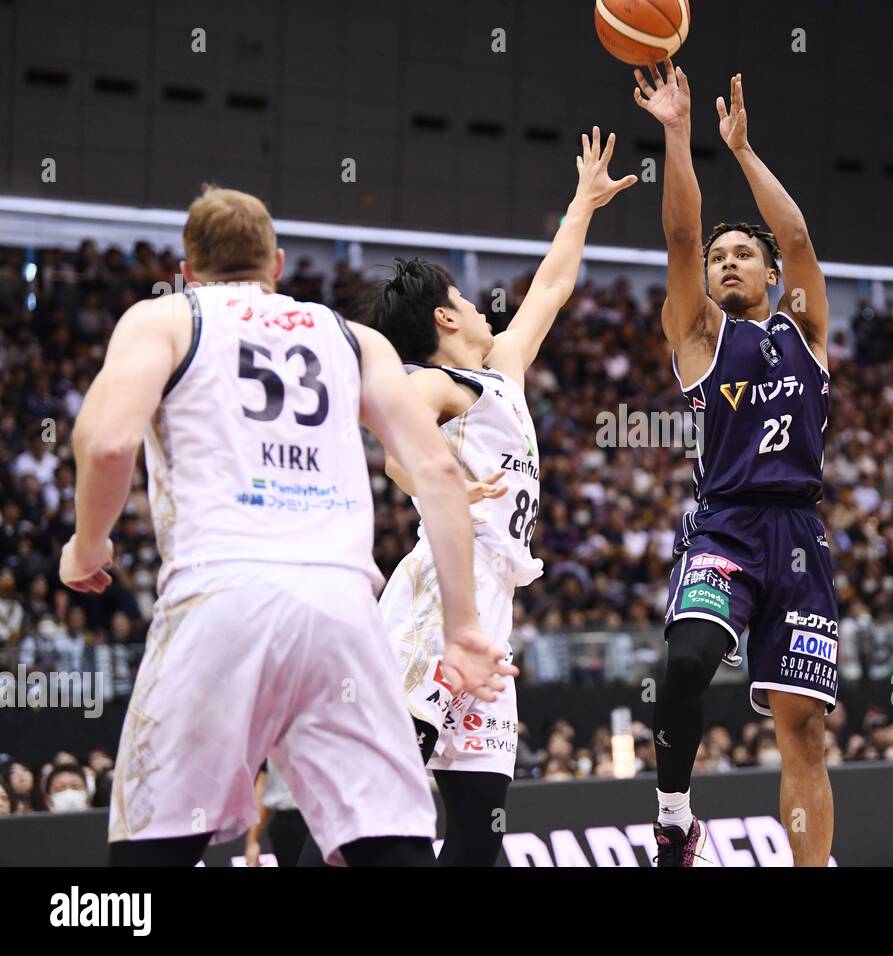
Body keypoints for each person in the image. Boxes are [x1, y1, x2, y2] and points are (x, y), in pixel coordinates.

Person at [58, 185, 515, 867]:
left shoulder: (164, 320)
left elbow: (106, 445)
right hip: (340, 610)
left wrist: (85, 547)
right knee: (390, 844)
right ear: (276, 265)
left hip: (220, 599)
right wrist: (463, 628)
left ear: (187, 272)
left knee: (151, 854)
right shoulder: (351, 338)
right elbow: (439, 475)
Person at [355, 128, 634, 866]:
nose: (485, 309)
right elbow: (393, 458)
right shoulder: (432, 380)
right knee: (395, 779)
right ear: (445, 319)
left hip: (492, 606)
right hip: (441, 596)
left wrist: (581, 204)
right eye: (468, 300)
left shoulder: (499, 369)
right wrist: (436, 481)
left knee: (481, 815)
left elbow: (550, 287)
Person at [634, 60, 837, 867]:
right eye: (718, 256)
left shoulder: (807, 332)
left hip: (799, 537)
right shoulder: (697, 334)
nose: (724, 261)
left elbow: (797, 236)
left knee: (806, 733)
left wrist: (744, 153)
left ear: (770, 277)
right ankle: (676, 815)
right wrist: (678, 133)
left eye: (740, 255)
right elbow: (680, 234)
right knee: (686, 662)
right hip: (726, 524)